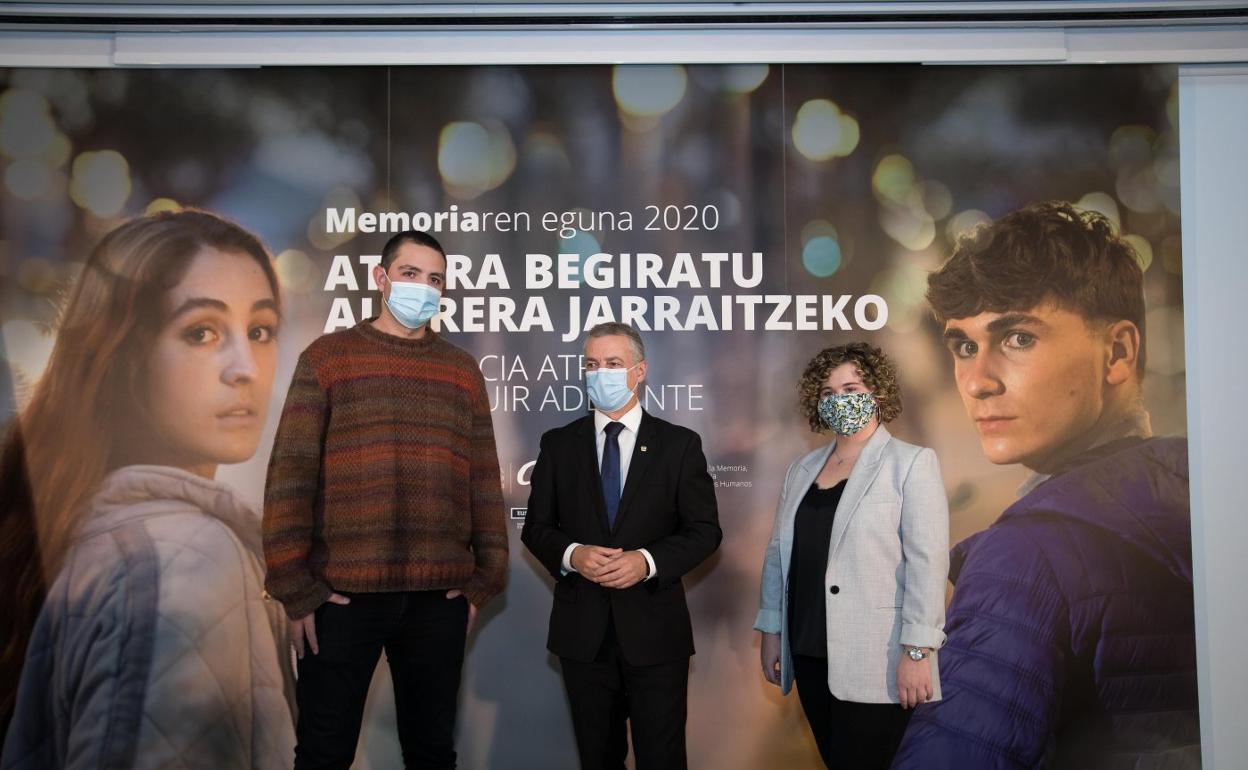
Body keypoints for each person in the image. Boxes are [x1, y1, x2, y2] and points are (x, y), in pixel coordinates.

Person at [892, 201, 1199, 769]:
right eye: (963, 345)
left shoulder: (1024, 559)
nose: (978, 382)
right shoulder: (1201, 502)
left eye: (1018, 339)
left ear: (1118, 352)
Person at [0, 209, 295, 769]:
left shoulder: (93, 530)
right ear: (124, 357)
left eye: (260, 331)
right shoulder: (187, 563)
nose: (246, 368)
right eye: (201, 332)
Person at [263, 229, 507, 770]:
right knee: (324, 753)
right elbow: (290, 477)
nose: (423, 287)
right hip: (340, 599)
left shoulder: (462, 371)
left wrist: (482, 581)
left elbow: (484, 483)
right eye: (411, 274)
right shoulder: (328, 358)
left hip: (437, 601)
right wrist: (295, 588)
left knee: (432, 752)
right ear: (381, 279)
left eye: (435, 279)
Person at [520, 322, 721, 770]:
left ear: (640, 371)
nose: (601, 373)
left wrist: (646, 562)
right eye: (592, 364)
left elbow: (704, 531)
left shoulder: (679, 445)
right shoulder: (558, 445)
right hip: (583, 636)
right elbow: (535, 527)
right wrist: (574, 555)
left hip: (655, 636)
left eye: (613, 364)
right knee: (598, 758)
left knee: (663, 758)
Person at [754, 342, 949, 769]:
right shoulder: (802, 470)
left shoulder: (912, 463)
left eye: (850, 387)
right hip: (807, 650)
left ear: (876, 393)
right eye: (827, 393)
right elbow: (778, 554)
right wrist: (772, 628)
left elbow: (928, 564)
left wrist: (918, 651)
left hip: (877, 658)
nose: (839, 399)